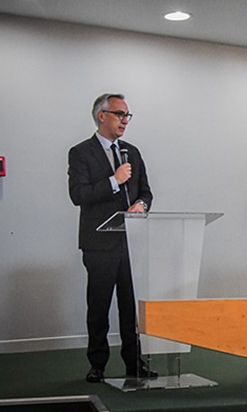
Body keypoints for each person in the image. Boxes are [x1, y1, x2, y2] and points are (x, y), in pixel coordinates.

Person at [68, 93, 156, 383]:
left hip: (131, 242)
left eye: (127, 115)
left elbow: (146, 191)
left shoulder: (132, 151)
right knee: (99, 307)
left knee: (131, 308)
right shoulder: (81, 152)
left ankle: (134, 363)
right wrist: (113, 181)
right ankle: (98, 365)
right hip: (99, 244)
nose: (125, 121)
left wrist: (141, 205)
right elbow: (78, 195)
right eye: (119, 114)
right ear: (101, 116)